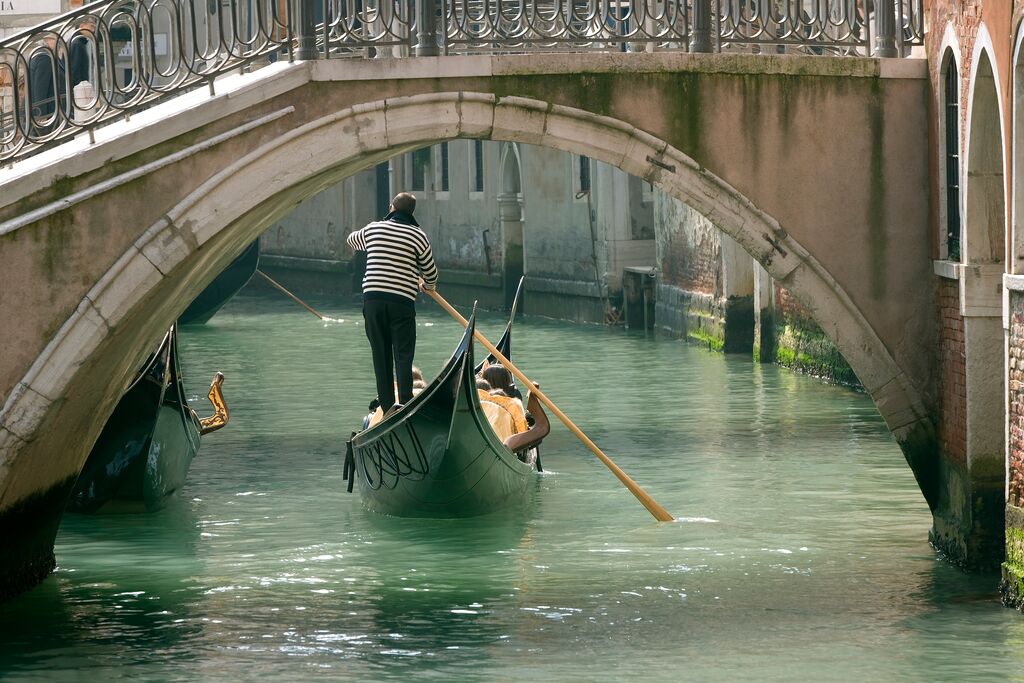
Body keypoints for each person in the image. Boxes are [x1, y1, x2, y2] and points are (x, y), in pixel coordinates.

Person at [346, 192, 438, 414]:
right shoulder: (418, 236)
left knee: (381, 353)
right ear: (411, 213)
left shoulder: (374, 228)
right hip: (402, 303)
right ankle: (405, 403)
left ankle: (388, 408)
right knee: (403, 355)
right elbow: (431, 272)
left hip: (373, 301)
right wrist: (429, 286)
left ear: (391, 208)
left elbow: (352, 240)